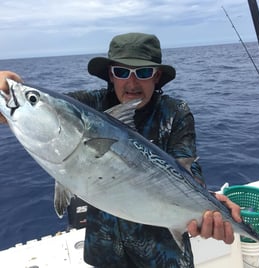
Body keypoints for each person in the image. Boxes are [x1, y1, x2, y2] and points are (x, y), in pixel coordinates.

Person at [0, 32, 241, 267]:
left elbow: (188, 167)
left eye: (143, 73)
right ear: (110, 75)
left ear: (156, 76)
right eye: (122, 72)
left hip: (164, 255)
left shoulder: (175, 112)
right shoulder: (87, 105)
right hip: (105, 253)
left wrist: (210, 205)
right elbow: (46, 113)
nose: (132, 82)